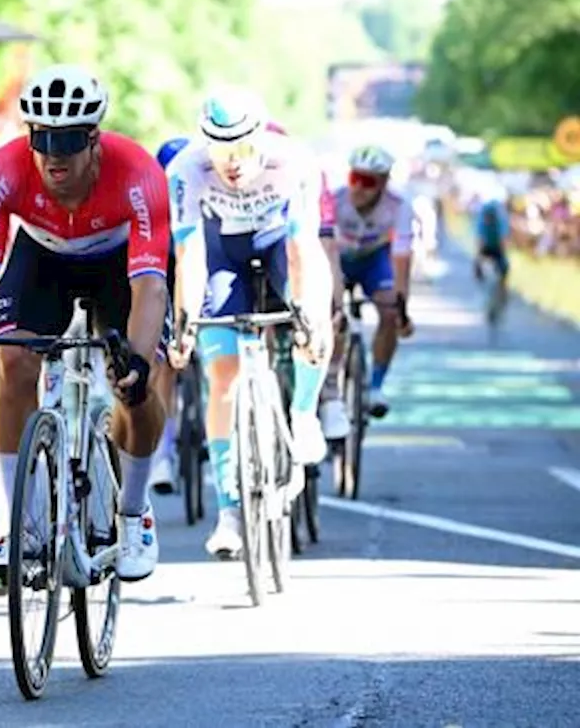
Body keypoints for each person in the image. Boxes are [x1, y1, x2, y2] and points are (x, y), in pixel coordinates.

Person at [0, 63, 172, 588]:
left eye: (67, 140)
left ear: (94, 139)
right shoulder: (2, 171)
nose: (52, 154)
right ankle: (16, 526)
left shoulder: (137, 173)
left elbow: (150, 288)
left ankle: (133, 516)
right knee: (11, 359)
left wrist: (136, 361)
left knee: (136, 387)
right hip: (42, 256)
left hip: (120, 264)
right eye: (41, 137)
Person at [166, 87, 332, 561]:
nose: (232, 161)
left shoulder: (292, 162)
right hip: (221, 253)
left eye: (241, 147)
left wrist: (308, 316)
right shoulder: (185, 170)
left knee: (315, 318)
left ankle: (302, 414)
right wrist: (184, 325)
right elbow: (190, 255)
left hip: (279, 242)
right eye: (220, 148)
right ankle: (230, 512)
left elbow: (304, 252)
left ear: (262, 136)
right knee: (222, 374)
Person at [326, 145, 415, 420]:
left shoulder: (398, 206)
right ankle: (330, 384)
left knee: (388, 311)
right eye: (355, 178)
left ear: (384, 182)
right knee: (331, 314)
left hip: (373, 260)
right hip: (338, 258)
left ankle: (375, 386)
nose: (359, 188)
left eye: (368, 182)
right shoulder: (335, 200)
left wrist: (401, 308)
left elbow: (402, 258)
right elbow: (323, 248)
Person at [149, 135, 192, 495]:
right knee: (162, 360)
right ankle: (163, 452)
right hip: (164, 269)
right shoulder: (150, 205)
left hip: (195, 266)